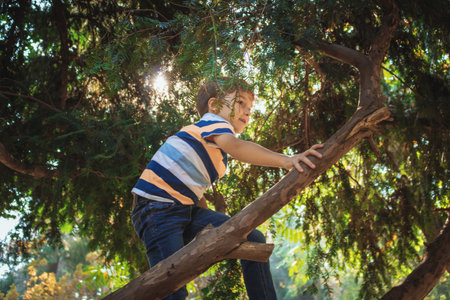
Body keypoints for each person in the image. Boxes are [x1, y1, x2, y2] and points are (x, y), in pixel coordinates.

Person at [131, 77, 323, 299]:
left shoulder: (213, 145)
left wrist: (209, 225)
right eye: (240, 102)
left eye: (250, 108)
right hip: (157, 210)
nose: (247, 112)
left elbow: (195, 190)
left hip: (183, 209)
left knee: (253, 238)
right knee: (170, 288)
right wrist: (287, 160)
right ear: (213, 105)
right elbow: (238, 147)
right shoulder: (212, 123)